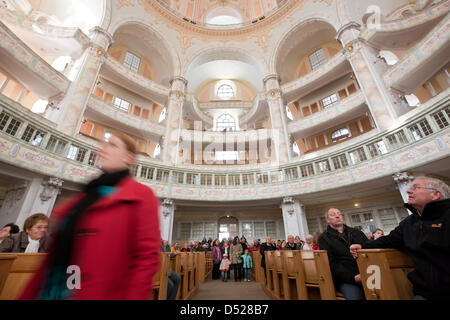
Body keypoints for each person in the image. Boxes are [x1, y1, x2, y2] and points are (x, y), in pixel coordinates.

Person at [19, 132, 161, 300]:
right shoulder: (83, 198)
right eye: (104, 144)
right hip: (55, 288)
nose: (103, 149)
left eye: (113, 145)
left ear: (128, 157)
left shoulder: (141, 195)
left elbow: (147, 258)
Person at [350, 176, 450, 300]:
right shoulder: (409, 222)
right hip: (425, 292)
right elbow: (390, 239)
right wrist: (363, 246)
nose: (408, 191)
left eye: (416, 188)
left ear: (435, 195)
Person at [318, 207, 367, 300]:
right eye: (333, 214)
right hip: (347, 279)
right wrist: (354, 278)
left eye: (339, 214)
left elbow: (370, 250)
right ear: (327, 220)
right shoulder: (324, 238)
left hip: (368, 273)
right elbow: (332, 264)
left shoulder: (357, 232)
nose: (337, 216)